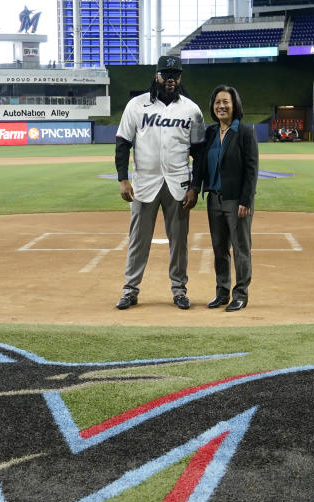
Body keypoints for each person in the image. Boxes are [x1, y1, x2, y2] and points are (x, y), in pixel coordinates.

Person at [114, 55, 205, 310]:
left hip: (178, 184)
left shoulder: (191, 110)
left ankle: (179, 290)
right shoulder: (136, 105)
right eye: (166, 74)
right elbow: (122, 144)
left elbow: (198, 153)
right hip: (144, 184)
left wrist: (195, 187)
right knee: (138, 240)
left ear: (180, 78)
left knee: (179, 242)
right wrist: (123, 179)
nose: (171, 79)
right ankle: (130, 290)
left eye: (175, 75)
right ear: (157, 76)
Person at [190, 84, 259, 312]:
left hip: (235, 200)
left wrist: (246, 201)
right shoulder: (210, 133)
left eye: (225, 102)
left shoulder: (245, 132)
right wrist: (195, 186)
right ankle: (222, 292)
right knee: (219, 249)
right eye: (217, 102)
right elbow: (199, 164)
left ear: (234, 105)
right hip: (214, 199)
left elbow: (251, 169)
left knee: (240, 248)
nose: (221, 106)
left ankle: (240, 294)